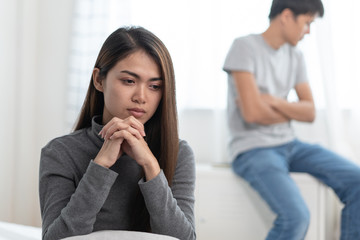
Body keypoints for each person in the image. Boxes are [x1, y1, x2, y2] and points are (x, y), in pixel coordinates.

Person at [39, 26, 196, 240]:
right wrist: (100, 166)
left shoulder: (179, 153)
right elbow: (55, 238)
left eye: (155, 86)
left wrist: (151, 166)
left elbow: (185, 238)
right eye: (129, 81)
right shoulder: (60, 152)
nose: (141, 97)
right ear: (99, 80)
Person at [223, 0, 360, 239]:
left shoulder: (295, 56)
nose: (308, 31)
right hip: (253, 149)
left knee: (357, 181)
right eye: (307, 23)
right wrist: (290, 108)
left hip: (290, 145)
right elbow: (252, 113)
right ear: (286, 16)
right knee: (296, 218)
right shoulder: (244, 47)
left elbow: (310, 113)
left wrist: (273, 101)